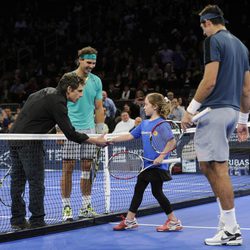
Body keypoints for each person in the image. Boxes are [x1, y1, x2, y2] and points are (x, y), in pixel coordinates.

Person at [181, 4, 250, 246]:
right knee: (207, 166)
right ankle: (225, 223)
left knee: (218, 168)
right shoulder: (241, 46)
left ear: (207, 23)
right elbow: (246, 89)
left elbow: (208, 82)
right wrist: (243, 120)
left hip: (214, 110)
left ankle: (231, 229)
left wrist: (189, 112)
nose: (202, 32)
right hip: (231, 112)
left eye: (202, 26)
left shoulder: (213, 42)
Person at [9, 73, 108, 230]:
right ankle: (37, 222)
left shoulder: (43, 92)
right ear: (69, 89)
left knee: (18, 182)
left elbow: (33, 116)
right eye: (79, 91)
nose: (81, 95)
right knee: (36, 182)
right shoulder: (58, 102)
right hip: (29, 143)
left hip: (13, 138)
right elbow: (70, 133)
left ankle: (17, 220)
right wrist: (95, 140)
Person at [111, 93, 183, 231]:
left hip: (157, 165)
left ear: (155, 106)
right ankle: (130, 220)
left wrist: (161, 157)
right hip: (147, 165)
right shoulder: (144, 124)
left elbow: (172, 142)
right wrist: (112, 140)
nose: (144, 108)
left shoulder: (162, 124)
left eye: (146, 105)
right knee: (140, 190)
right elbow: (130, 135)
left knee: (156, 192)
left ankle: (174, 221)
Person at [60, 46, 105, 221]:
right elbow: (59, 103)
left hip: (90, 131)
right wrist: (59, 128)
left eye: (94, 62)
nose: (91, 65)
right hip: (70, 129)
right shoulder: (67, 78)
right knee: (68, 169)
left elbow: (99, 107)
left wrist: (100, 131)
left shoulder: (96, 81)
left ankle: (86, 206)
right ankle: (66, 207)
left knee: (87, 168)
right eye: (88, 62)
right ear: (80, 60)